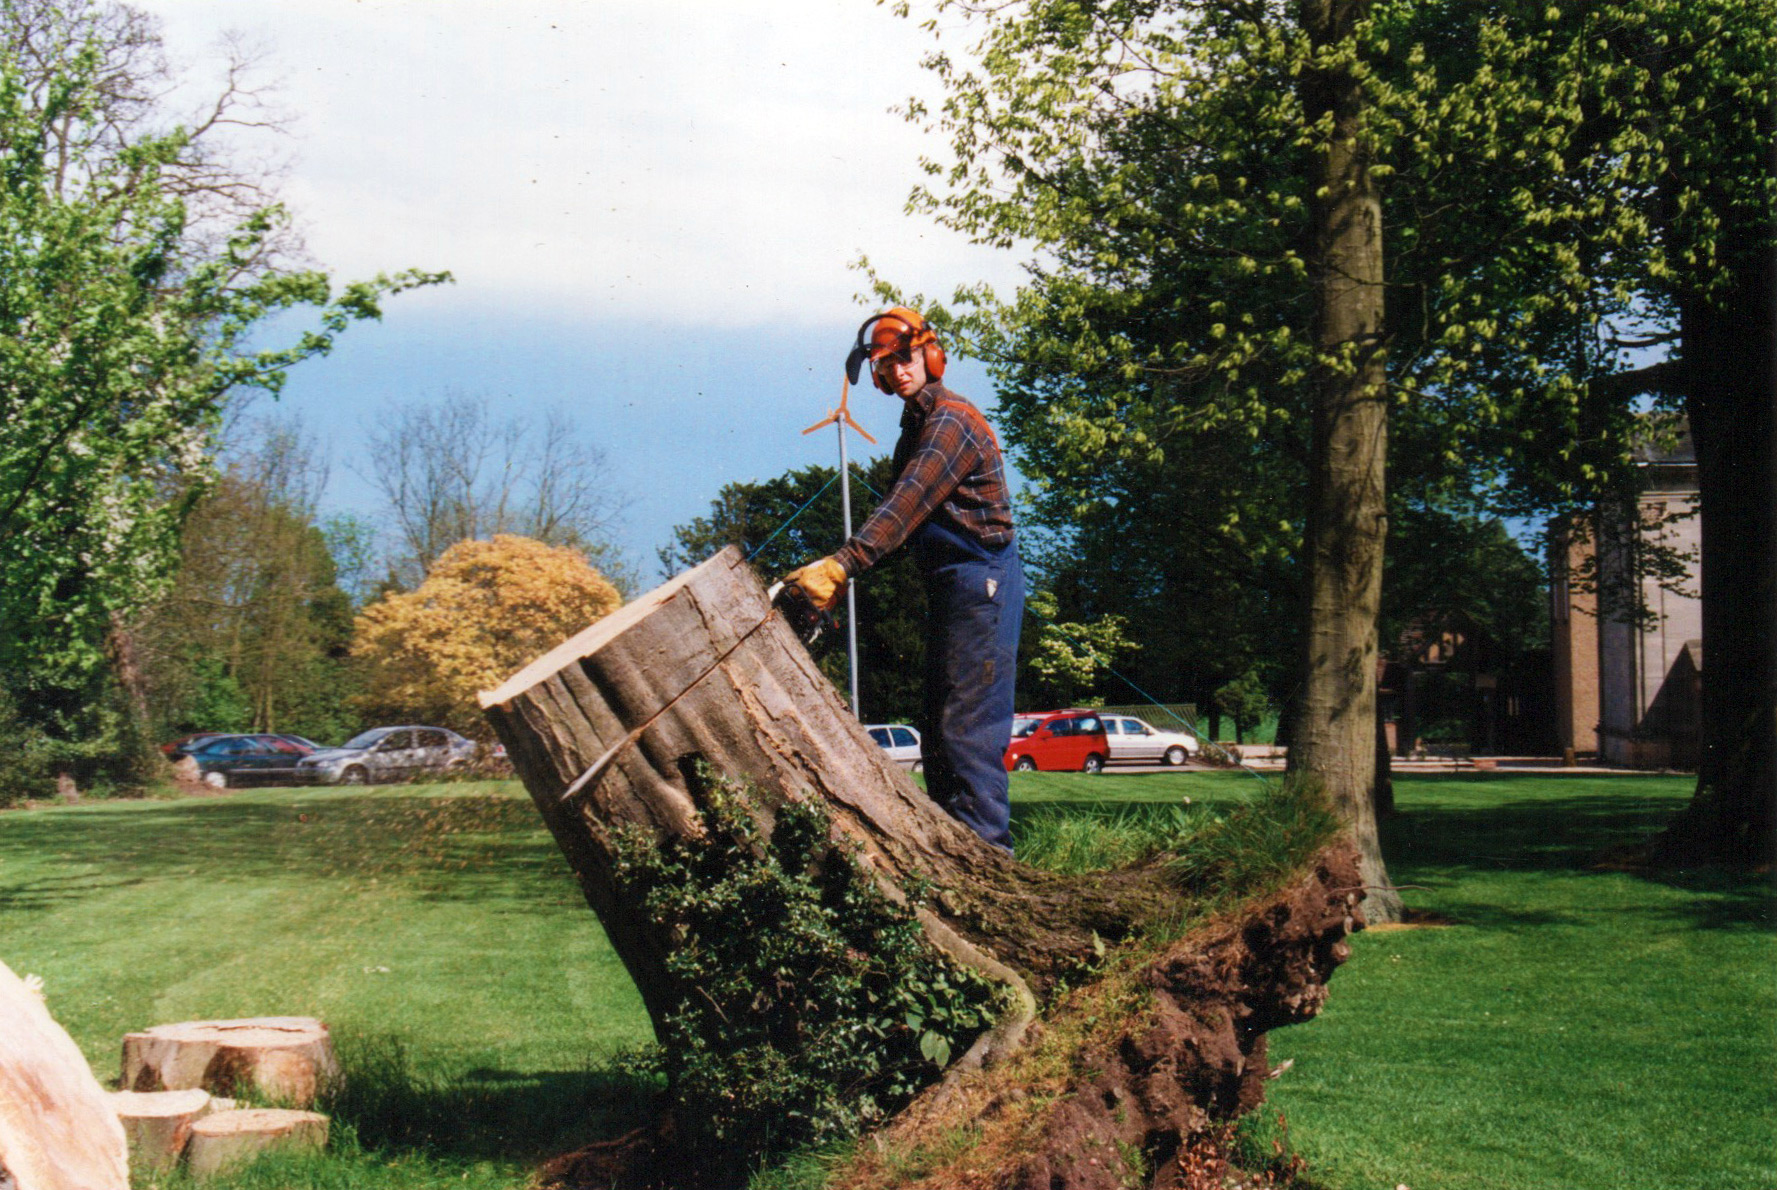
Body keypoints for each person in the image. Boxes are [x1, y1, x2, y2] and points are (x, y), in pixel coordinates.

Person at [786, 307, 1023, 852]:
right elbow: (903, 526)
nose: (895, 372)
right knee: (939, 732)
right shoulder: (916, 425)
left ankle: (991, 862)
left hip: (982, 583)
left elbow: (906, 502)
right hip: (952, 586)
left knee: (966, 733)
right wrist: (841, 576)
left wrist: (843, 563)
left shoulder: (950, 422)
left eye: (903, 358)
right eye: (883, 365)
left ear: (930, 354)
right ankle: (958, 859)